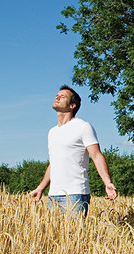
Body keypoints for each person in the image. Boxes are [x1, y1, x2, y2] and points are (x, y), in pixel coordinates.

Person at [29, 85, 117, 214]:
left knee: (74, 234)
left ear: (72, 105)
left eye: (63, 96)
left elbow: (97, 156)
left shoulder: (83, 127)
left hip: (76, 194)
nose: (57, 97)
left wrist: (107, 182)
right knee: (55, 235)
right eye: (57, 96)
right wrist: (41, 188)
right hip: (53, 195)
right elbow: (54, 163)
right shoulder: (52, 132)